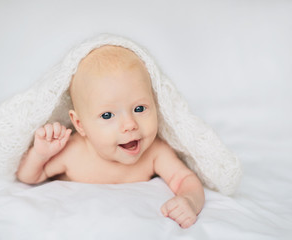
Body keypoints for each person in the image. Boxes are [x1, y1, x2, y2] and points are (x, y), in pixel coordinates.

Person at [16, 45, 205, 228]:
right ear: (80, 124)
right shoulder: (73, 152)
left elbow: (184, 179)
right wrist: (40, 155)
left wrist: (189, 200)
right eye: (107, 115)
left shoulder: (155, 152)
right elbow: (29, 177)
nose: (130, 125)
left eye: (139, 109)